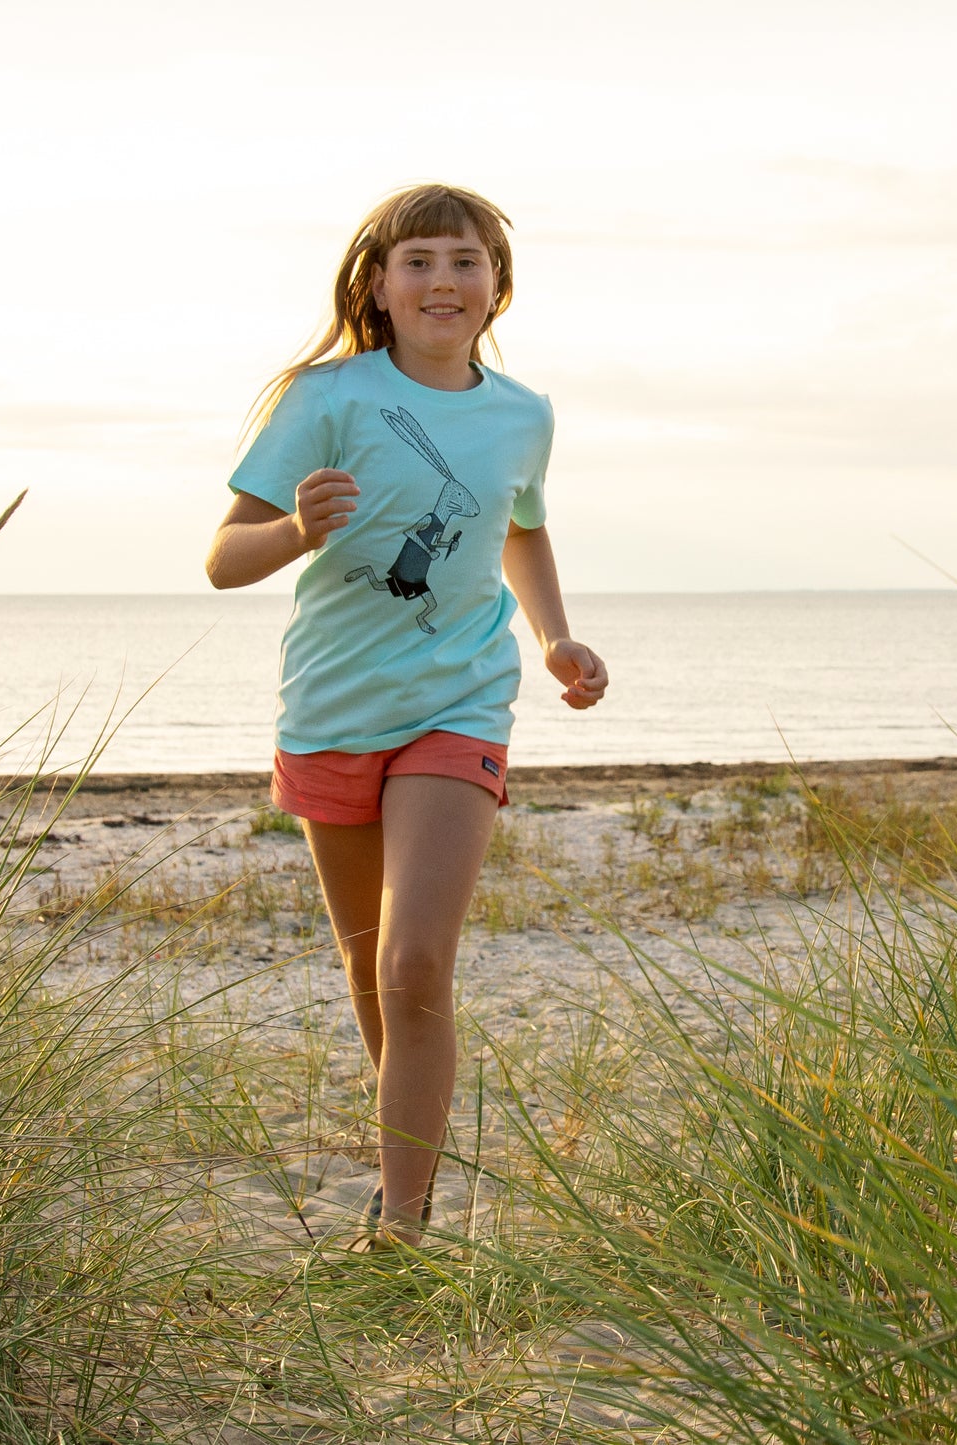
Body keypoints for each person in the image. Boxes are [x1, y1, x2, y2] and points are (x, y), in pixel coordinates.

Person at [206, 183, 607, 1249]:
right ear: (377, 285)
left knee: (415, 962)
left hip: (460, 698)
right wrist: (295, 529)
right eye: (419, 260)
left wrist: (553, 636)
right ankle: (411, 1164)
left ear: (496, 286)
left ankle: (403, 1221)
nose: (443, 279)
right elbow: (221, 558)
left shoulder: (524, 414)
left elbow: (520, 528)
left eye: (465, 260)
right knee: (365, 961)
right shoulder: (325, 397)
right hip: (332, 707)